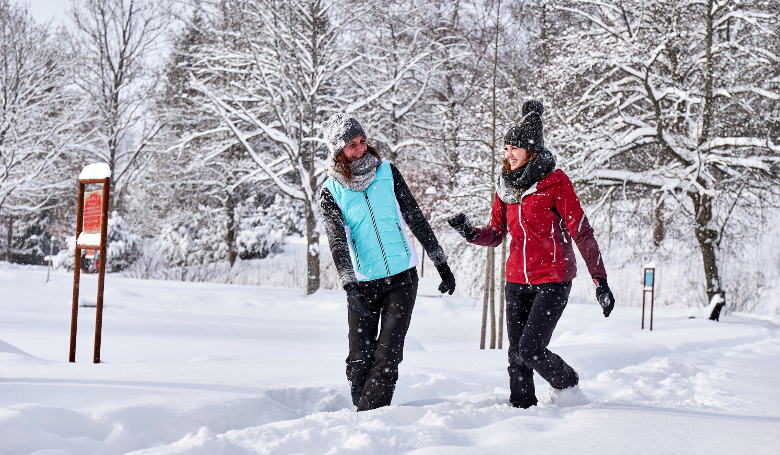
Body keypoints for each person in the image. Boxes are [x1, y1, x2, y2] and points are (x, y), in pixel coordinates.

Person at [447, 100, 615, 408]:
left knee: (531, 349)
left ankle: (568, 383)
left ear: (531, 152)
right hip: (516, 280)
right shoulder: (506, 188)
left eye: (515, 148)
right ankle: (520, 410)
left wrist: (600, 280)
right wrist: (471, 233)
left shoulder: (556, 183)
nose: (508, 155)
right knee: (516, 354)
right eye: (506, 148)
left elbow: (582, 231)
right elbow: (496, 233)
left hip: (553, 278)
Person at [320, 113, 456, 411]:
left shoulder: (388, 173)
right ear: (337, 151)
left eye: (362, 141)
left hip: (402, 279)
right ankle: (365, 412)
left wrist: (440, 263)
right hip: (363, 283)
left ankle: (371, 419)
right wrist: (348, 284)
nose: (359, 149)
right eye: (351, 145)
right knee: (359, 359)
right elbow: (337, 241)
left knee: (388, 355)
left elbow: (415, 218)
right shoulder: (331, 190)